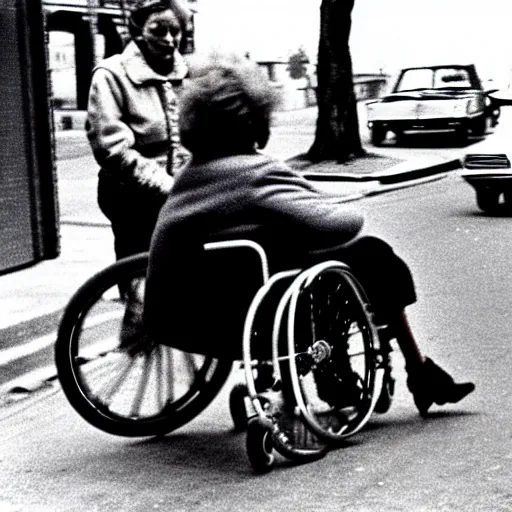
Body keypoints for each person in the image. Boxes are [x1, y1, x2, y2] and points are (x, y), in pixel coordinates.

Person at [144, 53, 475, 417]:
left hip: (189, 318)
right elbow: (339, 224)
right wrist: (338, 203)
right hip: (255, 315)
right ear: (254, 121)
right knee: (372, 254)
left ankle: (407, 371)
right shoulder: (257, 172)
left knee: (321, 263)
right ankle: (410, 370)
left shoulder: (191, 175)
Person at [86, 0, 192, 264]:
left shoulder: (190, 73)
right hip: (132, 198)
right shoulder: (111, 74)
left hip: (183, 196)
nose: (169, 39)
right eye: (158, 30)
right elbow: (112, 149)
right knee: (141, 280)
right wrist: (166, 185)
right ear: (138, 31)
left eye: (175, 31)